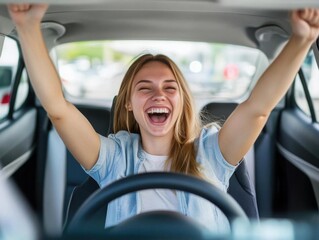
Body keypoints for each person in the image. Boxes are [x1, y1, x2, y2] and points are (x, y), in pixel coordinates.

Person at [8, 4, 319, 233]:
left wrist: (302, 41)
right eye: (145, 88)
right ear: (128, 103)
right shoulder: (115, 157)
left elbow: (258, 109)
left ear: (181, 101)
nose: (159, 95)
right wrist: (28, 28)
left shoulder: (210, 153)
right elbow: (58, 110)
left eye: (170, 88)